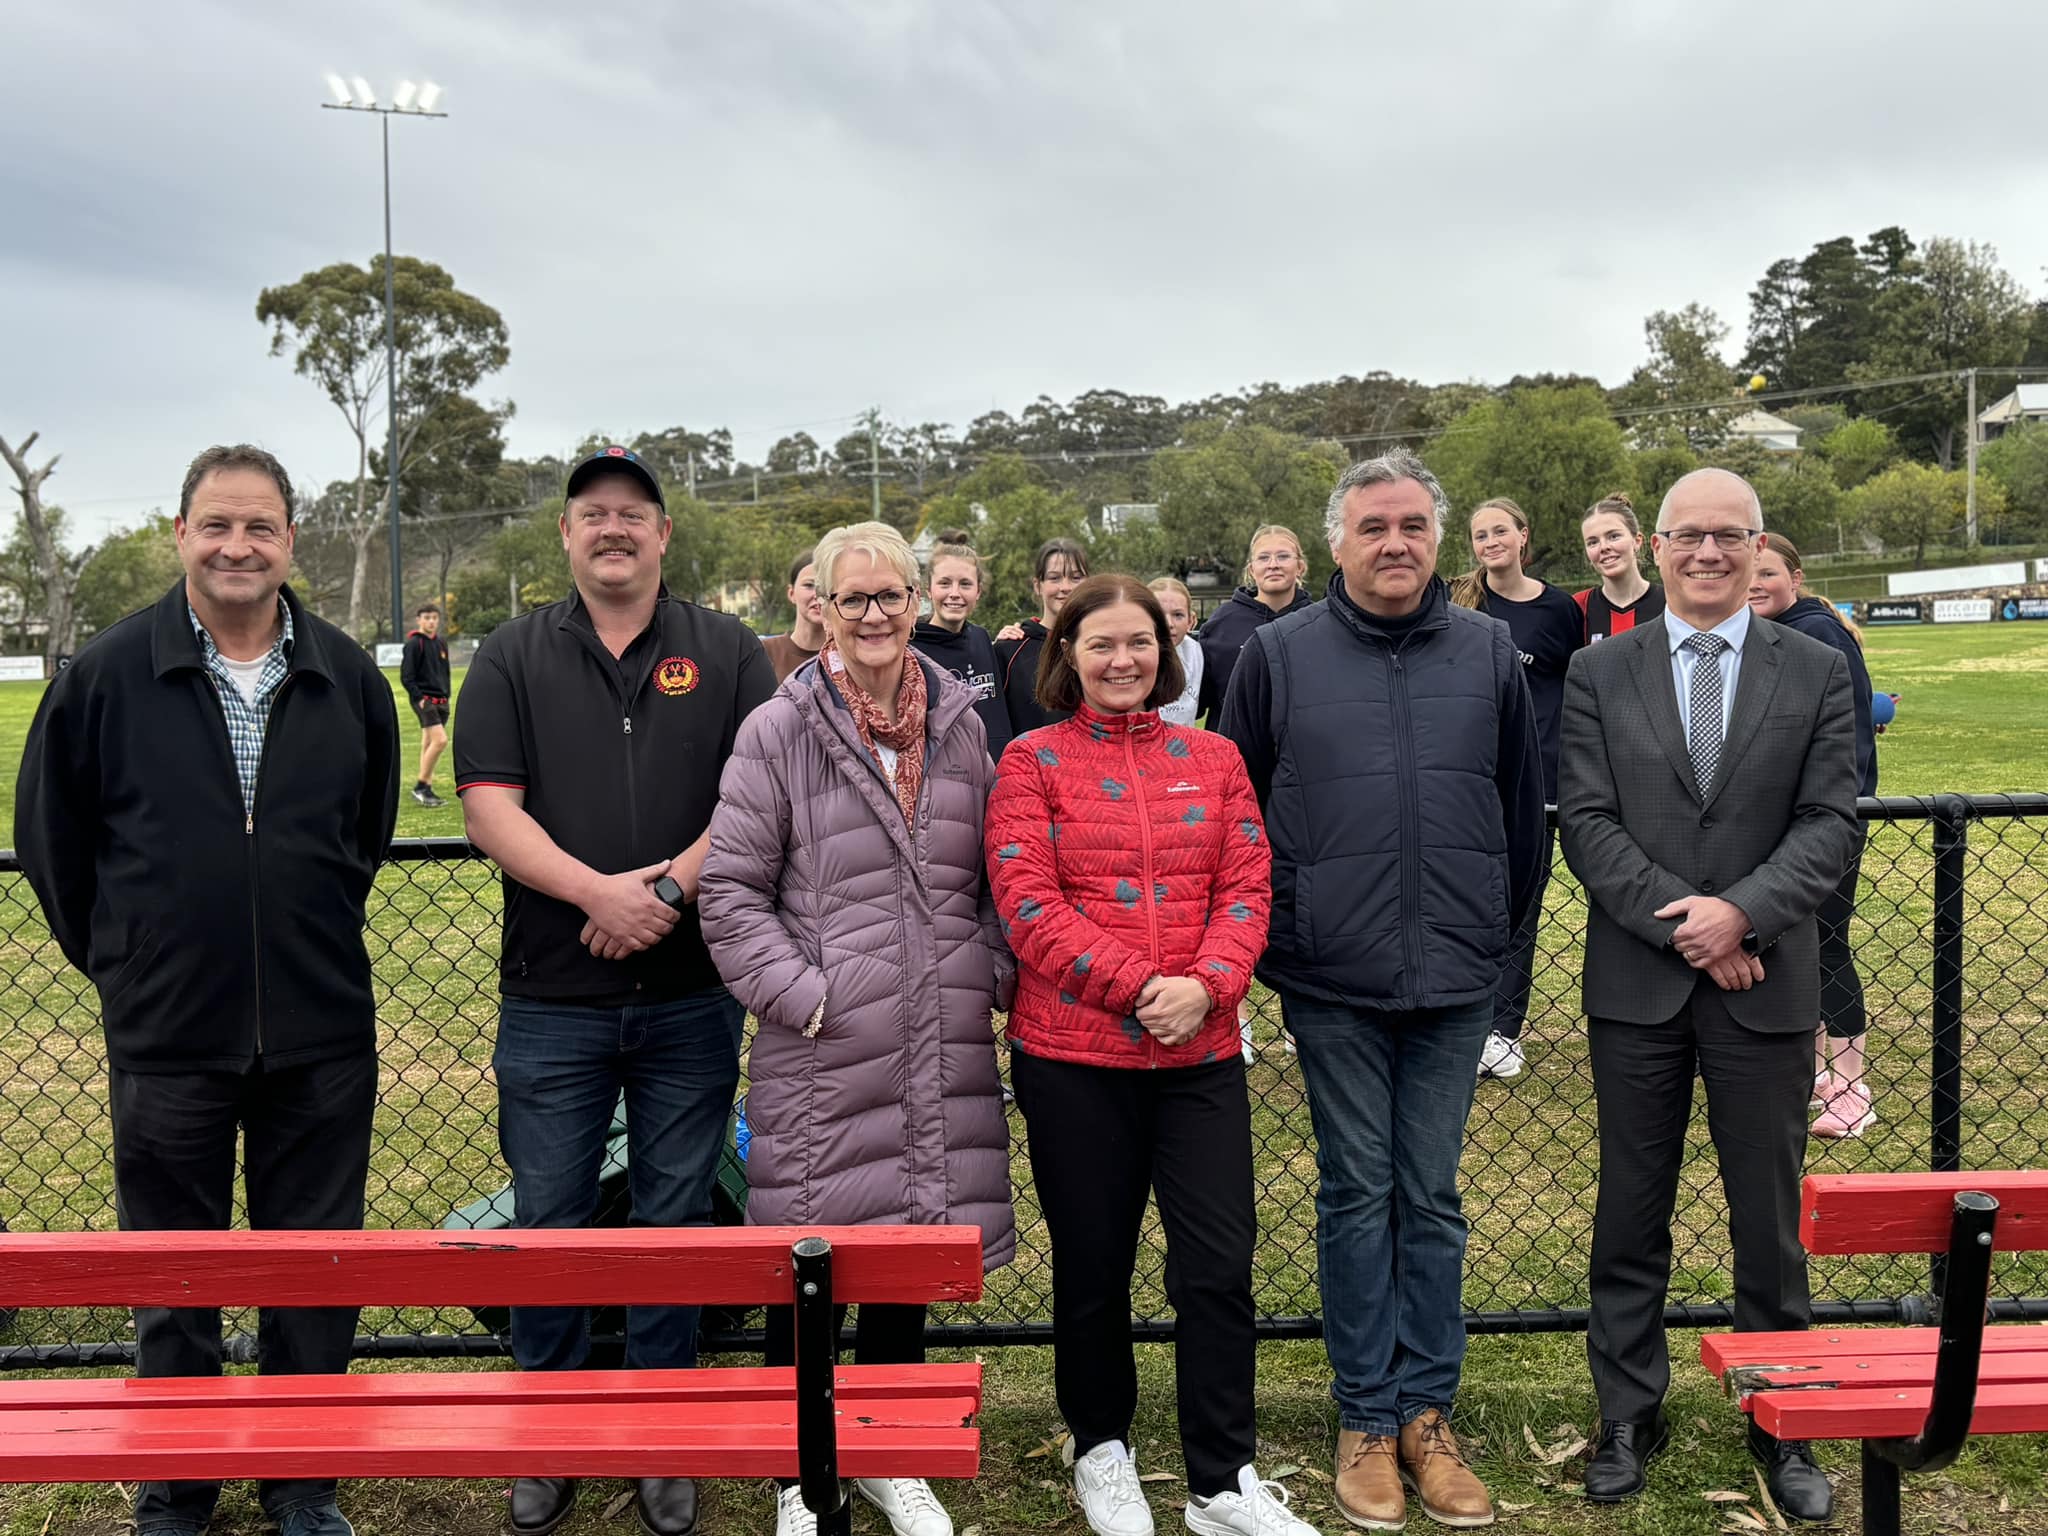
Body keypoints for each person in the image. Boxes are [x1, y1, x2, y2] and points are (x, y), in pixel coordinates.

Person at [14, 443, 399, 1536]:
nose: (239, 545)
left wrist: (298, 925)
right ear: (179, 532)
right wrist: (130, 962)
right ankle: (176, 1482)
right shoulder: (105, 675)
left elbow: (360, 837)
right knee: (174, 1268)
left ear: (290, 541)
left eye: (261, 526)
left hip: (321, 1031)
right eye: (217, 524)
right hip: (168, 1032)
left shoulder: (344, 677)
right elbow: (53, 841)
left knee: (310, 1267)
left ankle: (301, 1481)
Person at [453, 444, 776, 1536]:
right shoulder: (508, 654)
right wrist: (599, 893)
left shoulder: (727, 652)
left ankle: (662, 1428)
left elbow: (753, 799)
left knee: (675, 1216)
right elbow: (489, 808)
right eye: (592, 513)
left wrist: (664, 898)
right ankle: (546, 1430)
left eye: (633, 513)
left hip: (692, 991)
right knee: (548, 1221)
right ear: (564, 533)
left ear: (664, 535)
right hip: (551, 996)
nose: (613, 529)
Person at [1219, 450, 1545, 1533]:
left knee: (1433, 1197)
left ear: (1436, 538)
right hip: (1331, 977)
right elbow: (1234, 807)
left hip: (1455, 975)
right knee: (1357, 1192)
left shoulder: (1488, 652)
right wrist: (1284, 932)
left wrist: (1495, 951)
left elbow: (1520, 815)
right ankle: (1363, 1415)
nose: (1394, 542)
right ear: (1336, 543)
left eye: (1411, 524)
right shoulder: (1275, 655)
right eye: (1373, 527)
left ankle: (1425, 1415)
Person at [702, 521, 1015, 1536]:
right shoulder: (778, 730)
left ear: (917, 602)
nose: (873, 616)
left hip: (942, 1042)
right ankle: (803, 1472)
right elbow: (733, 896)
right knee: (814, 1268)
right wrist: (809, 997)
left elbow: (986, 882)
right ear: (821, 609)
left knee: (907, 1256)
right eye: (853, 600)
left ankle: (884, 1452)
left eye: (890, 597)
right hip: (826, 1053)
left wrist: (985, 973)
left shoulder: (963, 724)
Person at [1559, 468, 1858, 1521]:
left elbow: (1829, 821)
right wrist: (1691, 924)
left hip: (1764, 987)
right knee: (1628, 1214)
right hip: (1637, 986)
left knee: (1766, 1221)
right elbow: (1586, 823)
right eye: (1687, 536)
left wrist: (1742, 915)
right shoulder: (1599, 671)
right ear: (1659, 542)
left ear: (1756, 544)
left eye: (1727, 536)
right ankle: (1626, 1413)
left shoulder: (1815, 670)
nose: (1706, 554)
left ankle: (1783, 1413)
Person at [988, 575, 1315, 1536]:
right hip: (1074, 1058)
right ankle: (1102, 1449)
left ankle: (1223, 1480)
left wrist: (1209, 986)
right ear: (1069, 657)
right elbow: (1028, 905)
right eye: (1102, 645)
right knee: (1093, 1265)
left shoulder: (1212, 758)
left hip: (1200, 1057)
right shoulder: (1030, 762)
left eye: (1140, 643)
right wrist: (1139, 988)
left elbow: (1249, 883)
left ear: (1165, 654)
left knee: (1218, 1267)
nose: (1123, 660)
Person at [1746, 533, 1880, 1138]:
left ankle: (1852, 1090)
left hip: (1826, 821)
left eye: (1768, 573)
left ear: (1795, 577)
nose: (1755, 584)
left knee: (1826, 946)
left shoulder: (1812, 633)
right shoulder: (1801, 626)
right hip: (1810, 818)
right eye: (1749, 573)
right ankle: (1830, 1076)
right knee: (1808, 947)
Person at [1449, 498, 1585, 1081]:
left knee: (1521, 906)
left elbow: (1581, 690)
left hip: (1540, 781)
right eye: (1480, 535)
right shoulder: (1459, 598)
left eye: (1499, 531)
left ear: (1523, 536)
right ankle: (1459, 1021)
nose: (1489, 542)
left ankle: (1503, 1031)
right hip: (1469, 777)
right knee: (1465, 901)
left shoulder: (1558, 609)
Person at [1195, 524, 1313, 725]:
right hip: (1234, 748)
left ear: (1300, 566)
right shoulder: (1221, 623)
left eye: (1283, 556)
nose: (1273, 564)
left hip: (1302, 747)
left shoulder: (1317, 622)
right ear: (1252, 569)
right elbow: (1197, 701)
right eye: (1263, 557)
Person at [911, 530, 1011, 759]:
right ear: (929, 590)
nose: (954, 593)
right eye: (945, 583)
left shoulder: (982, 639)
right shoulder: (911, 648)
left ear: (978, 592)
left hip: (994, 774)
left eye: (965, 584)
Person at [993, 536, 1087, 736]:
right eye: (1054, 578)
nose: (1066, 587)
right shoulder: (1010, 650)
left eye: (1075, 577)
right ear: (1038, 585)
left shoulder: (1104, 645)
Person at [1574, 492, 1666, 642]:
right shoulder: (1577, 607)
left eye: (1614, 536)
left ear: (1637, 541)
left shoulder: (1670, 602)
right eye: (1592, 542)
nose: (1603, 547)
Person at [400, 601, 452, 806]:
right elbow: (407, 676)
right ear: (419, 620)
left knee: (429, 743)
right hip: (425, 701)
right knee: (440, 741)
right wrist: (419, 698)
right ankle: (422, 787)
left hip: (441, 699)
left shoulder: (441, 643)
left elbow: (444, 672)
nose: (431, 622)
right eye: (427, 618)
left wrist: (446, 695)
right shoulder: (414, 644)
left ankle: (426, 788)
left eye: (434, 618)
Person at [761, 548, 828, 682]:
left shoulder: (851, 655)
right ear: (791, 593)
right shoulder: (764, 652)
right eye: (809, 585)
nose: (818, 595)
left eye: (827, 586)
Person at [1148, 576, 1204, 728]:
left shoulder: (1196, 653)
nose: (1168, 624)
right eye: (1158, 615)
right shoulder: (1131, 657)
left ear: (1191, 621)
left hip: (1182, 746)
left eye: (1178, 615)